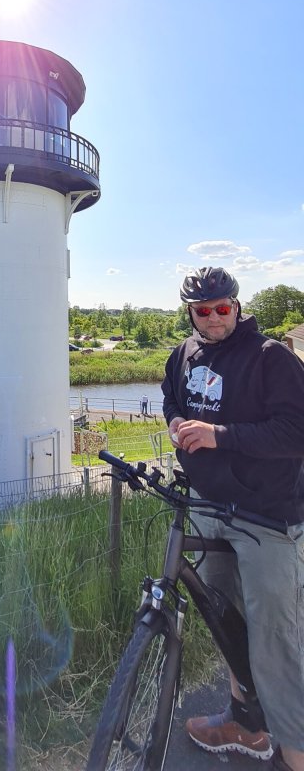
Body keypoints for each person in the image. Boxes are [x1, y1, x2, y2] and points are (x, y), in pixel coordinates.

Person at [162, 266, 304, 771]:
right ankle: (245, 723)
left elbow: (294, 433)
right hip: (209, 507)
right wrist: (177, 420)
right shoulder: (183, 355)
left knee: (274, 640)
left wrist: (220, 435)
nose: (215, 318)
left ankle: (295, 755)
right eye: (204, 311)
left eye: (224, 308)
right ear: (191, 314)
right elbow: (171, 399)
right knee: (227, 622)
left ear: (237, 306)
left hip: (266, 516)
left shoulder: (272, 359)